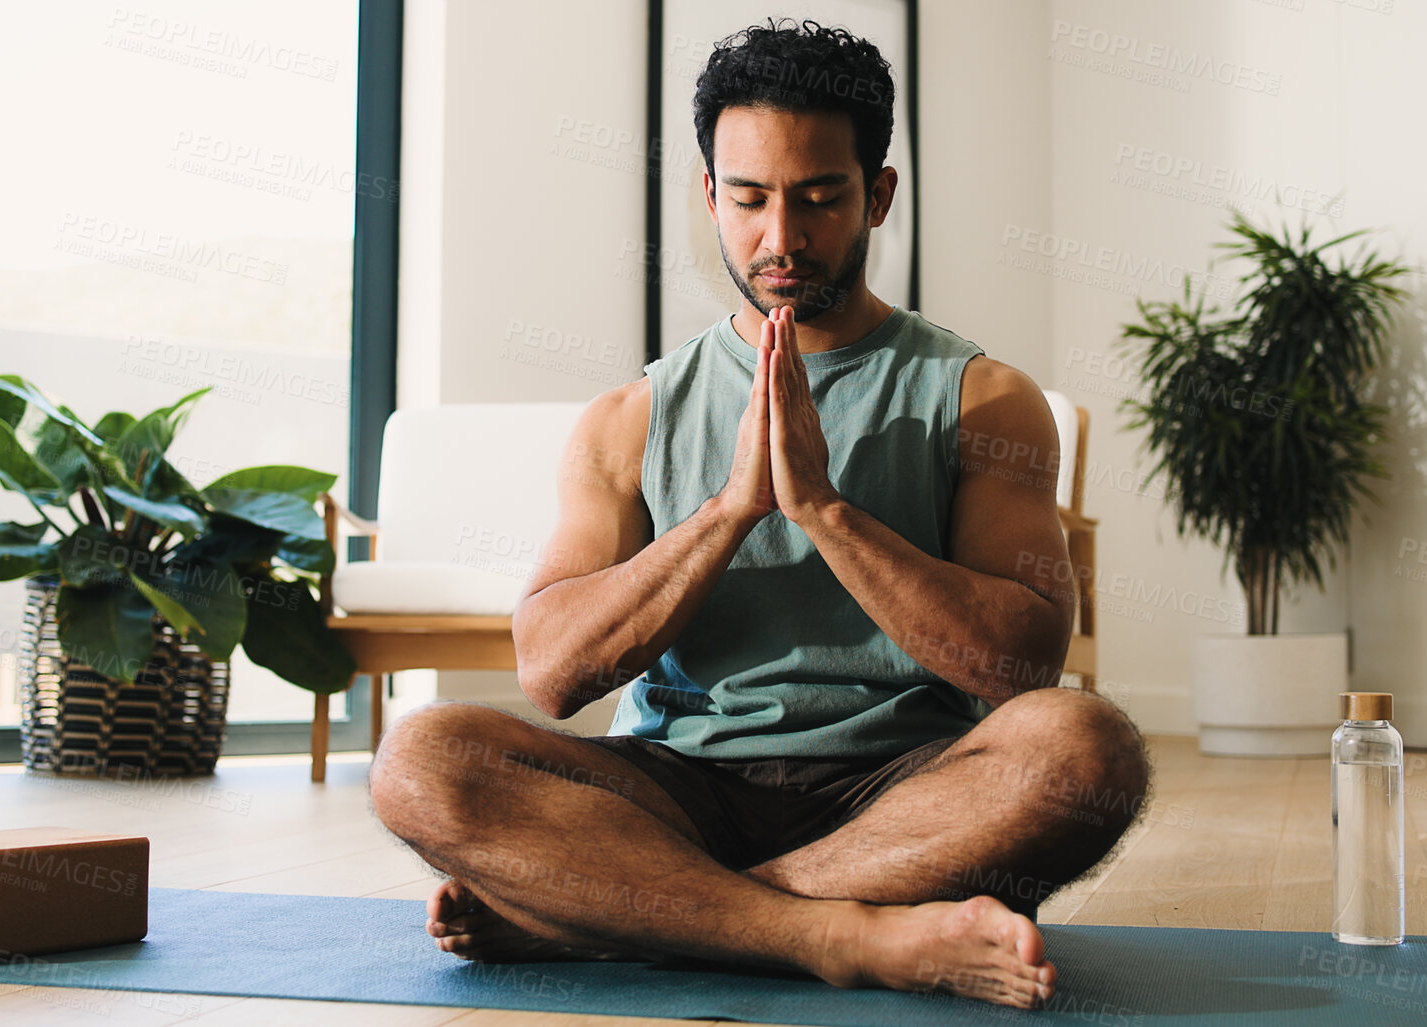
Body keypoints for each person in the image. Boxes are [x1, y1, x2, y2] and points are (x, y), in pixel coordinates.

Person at [370, 18, 1150, 1009]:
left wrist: (825, 510)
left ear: (880, 194)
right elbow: (553, 673)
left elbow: (1022, 665)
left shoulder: (983, 400)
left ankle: (631, 918)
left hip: (906, 793)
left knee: (1088, 748)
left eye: (821, 198)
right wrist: (730, 510)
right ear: (710, 195)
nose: (780, 237)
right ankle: (839, 934)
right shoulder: (629, 418)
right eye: (748, 199)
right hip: (676, 790)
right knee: (423, 757)